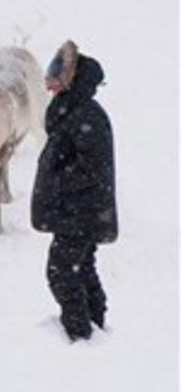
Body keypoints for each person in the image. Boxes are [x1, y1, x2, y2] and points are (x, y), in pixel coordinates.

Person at [31, 40, 118, 342]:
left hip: (82, 211)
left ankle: (80, 334)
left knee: (62, 271)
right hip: (78, 211)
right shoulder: (72, 111)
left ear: (71, 79)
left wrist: (56, 183)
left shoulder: (86, 116)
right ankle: (94, 324)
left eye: (57, 75)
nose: (50, 84)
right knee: (81, 267)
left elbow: (93, 168)